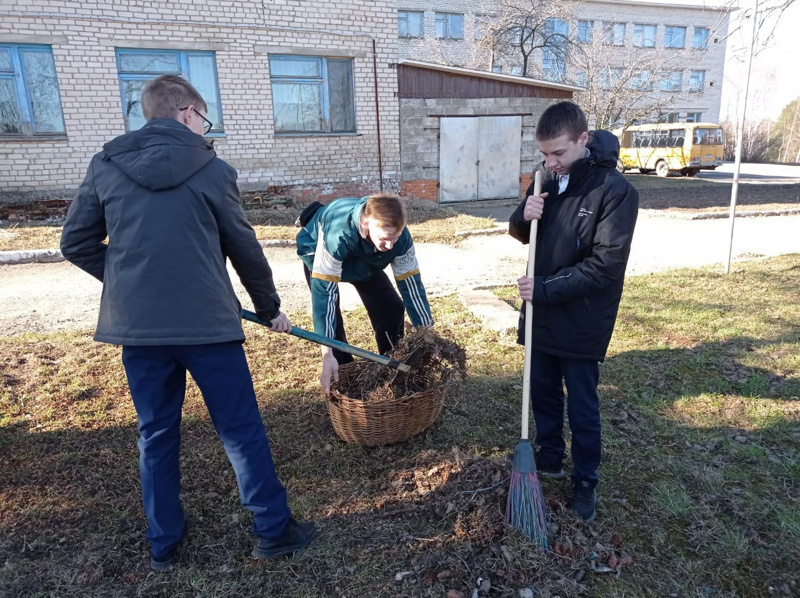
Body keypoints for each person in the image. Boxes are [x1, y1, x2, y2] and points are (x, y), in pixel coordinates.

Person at [60, 75, 316, 570]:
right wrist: (269, 308)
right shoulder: (213, 169)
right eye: (204, 118)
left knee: (155, 433)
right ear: (185, 114)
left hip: (139, 331)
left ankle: (164, 544)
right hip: (208, 328)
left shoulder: (104, 165)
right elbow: (244, 246)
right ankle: (273, 529)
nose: (205, 128)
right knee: (239, 428)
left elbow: (76, 243)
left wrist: (126, 282)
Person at [508, 101, 639, 522]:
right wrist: (521, 214)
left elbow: (605, 265)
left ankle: (585, 480)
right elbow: (524, 232)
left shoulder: (615, 191)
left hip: (582, 316)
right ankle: (549, 456)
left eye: (559, 153)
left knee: (581, 403)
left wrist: (544, 288)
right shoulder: (545, 177)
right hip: (541, 309)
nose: (551, 162)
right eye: (545, 154)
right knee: (542, 390)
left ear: (583, 140)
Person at [295, 193, 434, 395]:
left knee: (391, 307)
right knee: (332, 320)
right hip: (318, 250)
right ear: (367, 223)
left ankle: (392, 366)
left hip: (366, 259)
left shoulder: (400, 238)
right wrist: (326, 352)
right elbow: (323, 297)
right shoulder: (338, 234)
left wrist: (426, 332)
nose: (390, 246)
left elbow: (412, 286)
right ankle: (343, 376)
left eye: (394, 238)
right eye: (385, 239)